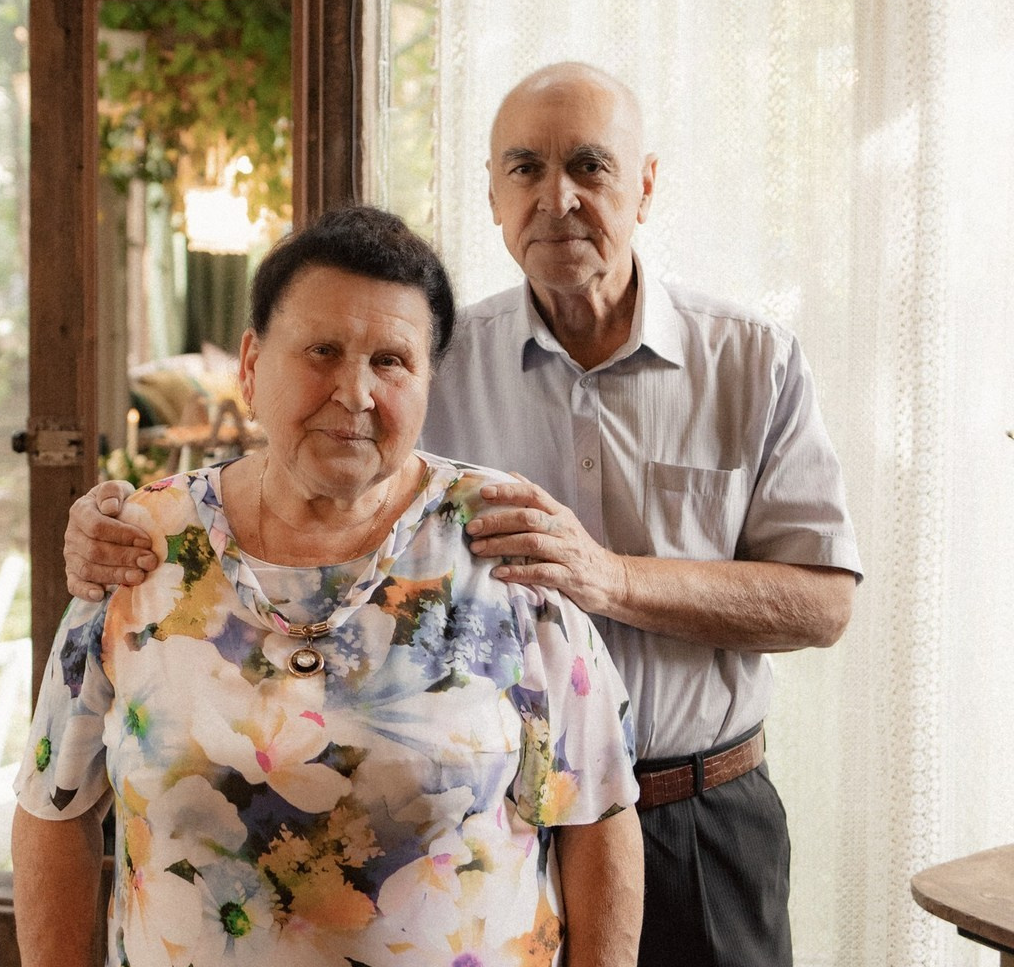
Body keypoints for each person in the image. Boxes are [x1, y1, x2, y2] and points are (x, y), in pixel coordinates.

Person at [64, 63, 863, 967]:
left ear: (644, 184)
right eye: (524, 168)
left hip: (698, 811)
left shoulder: (752, 362)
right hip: (479, 809)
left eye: (590, 167)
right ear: (491, 193)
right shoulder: (424, 357)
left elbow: (824, 603)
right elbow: (305, 461)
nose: (555, 197)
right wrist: (126, 530)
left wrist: (610, 578)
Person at [14, 204, 643, 967]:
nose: (355, 392)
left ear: (426, 383)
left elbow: (598, 814)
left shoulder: (501, 544)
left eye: (391, 361)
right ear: (250, 366)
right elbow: (53, 803)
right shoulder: (142, 546)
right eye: (322, 350)